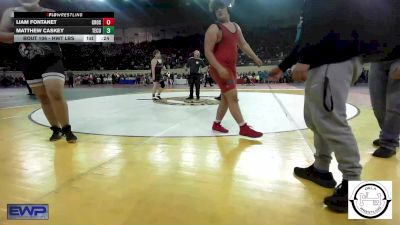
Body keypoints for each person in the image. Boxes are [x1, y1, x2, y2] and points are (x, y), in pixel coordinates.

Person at [269, 0, 399, 213]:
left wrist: (304, 59)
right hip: (328, 59)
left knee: (330, 120)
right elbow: (308, 32)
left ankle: (352, 183)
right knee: (315, 118)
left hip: (332, 58)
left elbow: (320, 23)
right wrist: (284, 65)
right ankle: (321, 169)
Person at [0, 0, 77, 143]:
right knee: (42, 96)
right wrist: (23, 33)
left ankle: (67, 129)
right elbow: (2, 35)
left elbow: (68, 36)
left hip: (51, 57)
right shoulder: (10, 13)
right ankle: (56, 129)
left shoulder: (50, 13)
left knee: (54, 92)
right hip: (28, 59)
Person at [205, 0, 263, 138]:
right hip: (220, 68)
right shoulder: (214, 28)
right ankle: (243, 127)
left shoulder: (236, 26)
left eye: (221, 7)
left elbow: (243, 44)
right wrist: (219, 68)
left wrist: (254, 57)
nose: (219, 10)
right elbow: (208, 52)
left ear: (227, 8)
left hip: (230, 68)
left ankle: (216, 124)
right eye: (216, 9)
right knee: (233, 97)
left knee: (226, 97)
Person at [369, 53, 400, 158]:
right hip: (378, 55)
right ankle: (388, 134)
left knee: (394, 103)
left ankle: (389, 142)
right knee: (378, 104)